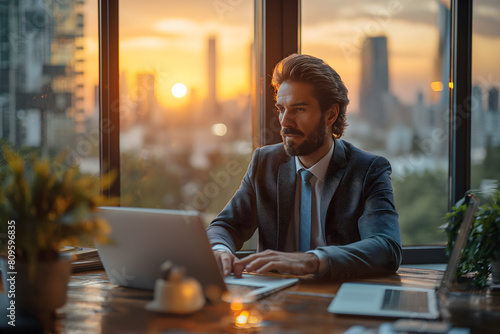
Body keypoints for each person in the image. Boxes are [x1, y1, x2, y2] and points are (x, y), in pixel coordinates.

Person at [206, 54, 402, 280]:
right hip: (274, 299)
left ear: (330, 114)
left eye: (299, 109)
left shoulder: (368, 169)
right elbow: (225, 226)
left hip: (337, 297)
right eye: (281, 109)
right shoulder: (265, 162)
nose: (284, 122)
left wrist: (312, 260)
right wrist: (220, 251)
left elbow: (387, 248)